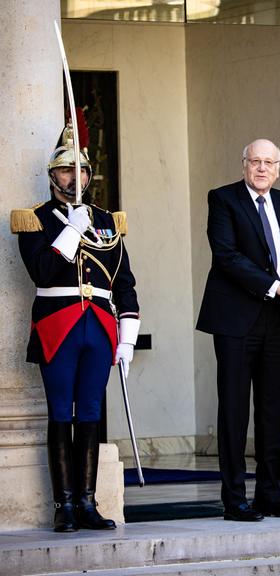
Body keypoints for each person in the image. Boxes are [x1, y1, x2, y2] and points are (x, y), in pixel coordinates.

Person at [11, 124, 140, 532]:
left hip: (99, 327)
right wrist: (71, 229)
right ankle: (63, 504)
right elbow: (42, 272)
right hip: (58, 325)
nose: (75, 178)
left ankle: (87, 502)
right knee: (59, 413)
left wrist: (128, 338)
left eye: (81, 171)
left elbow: (124, 284)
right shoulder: (35, 220)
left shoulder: (107, 221)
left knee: (90, 414)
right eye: (66, 171)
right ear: (53, 176)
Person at [196, 139, 280, 522]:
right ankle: (235, 499)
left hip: (277, 322)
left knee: (272, 410)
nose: (261, 168)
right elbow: (226, 256)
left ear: (278, 167)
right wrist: (277, 289)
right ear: (244, 165)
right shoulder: (223, 199)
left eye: (268, 162)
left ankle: (271, 495)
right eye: (255, 161)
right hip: (234, 320)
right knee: (234, 410)